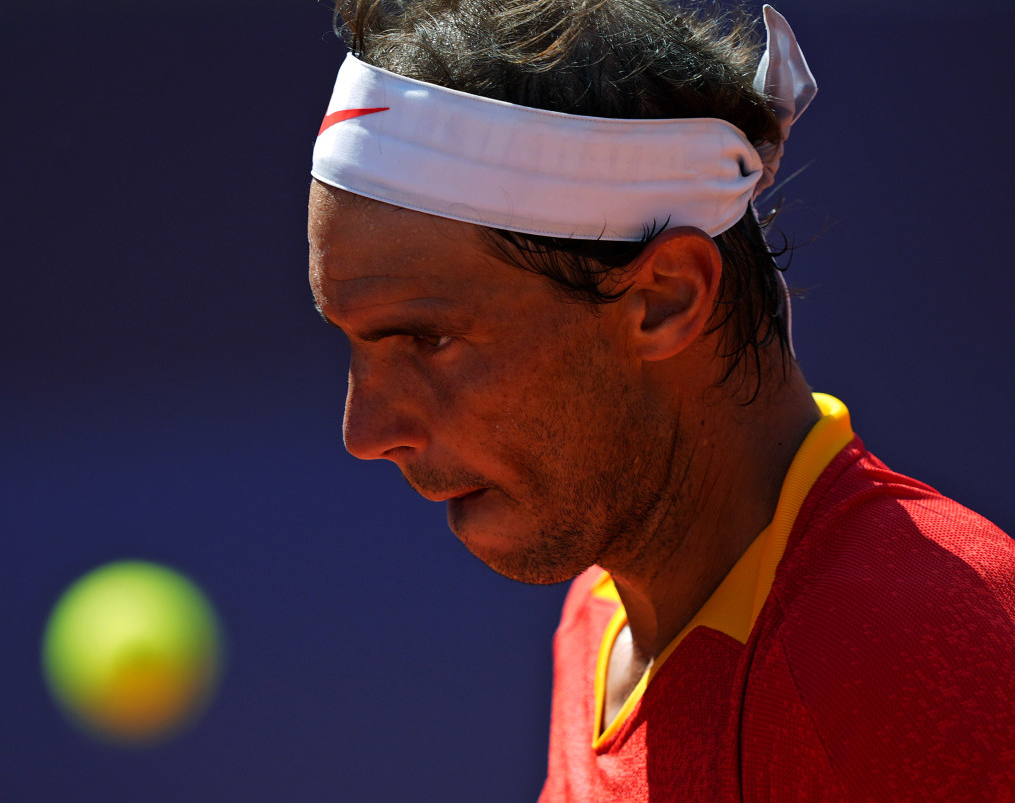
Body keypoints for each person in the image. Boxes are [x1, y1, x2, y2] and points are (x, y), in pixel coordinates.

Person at [306, 0, 1015, 799]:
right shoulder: (601, 616)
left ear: (665, 299)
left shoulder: (916, 652)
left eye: (427, 338)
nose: (366, 431)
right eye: (354, 341)